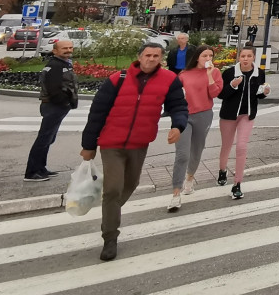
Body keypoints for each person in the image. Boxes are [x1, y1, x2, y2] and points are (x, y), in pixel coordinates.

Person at [81, 42, 188, 261]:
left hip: (139, 142)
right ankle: (110, 236)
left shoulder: (169, 80)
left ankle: (109, 213)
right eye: (148, 55)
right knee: (112, 189)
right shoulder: (116, 80)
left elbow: (178, 106)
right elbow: (97, 113)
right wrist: (88, 145)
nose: (151, 59)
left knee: (130, 184)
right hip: (112, 143)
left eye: (156, 56)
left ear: (161, 59)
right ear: (139, 56)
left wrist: (178, 125)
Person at [169, 45, 223, 211]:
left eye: (211, 56)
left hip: (203, 115)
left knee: (197, 151)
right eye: (204, 55)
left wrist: (209, 75)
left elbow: (214, 94)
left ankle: (189, 180)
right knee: (182, 154)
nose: (208, 59)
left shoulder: (214, 73)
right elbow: (174, 94)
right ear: (197, 57)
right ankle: (175, 194)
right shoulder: (184, 74)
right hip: (184, 117)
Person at [218, 46, 270, 201]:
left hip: (247, 115)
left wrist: (264, 92)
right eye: (243, 56)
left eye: (249, 56)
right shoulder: (229, 73)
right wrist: (233, 85)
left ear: (253, 57)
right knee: (226, 146)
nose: (245, 59)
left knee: (241, 147)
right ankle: (222, 171)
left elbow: (258, 95)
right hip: (228, 115)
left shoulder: (259, 73)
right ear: (239, 58)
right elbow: (221, 94)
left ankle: (237, 184)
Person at [25, 38, 77, 181]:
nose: (68, 50)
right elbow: (54, 90)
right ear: (55, 51)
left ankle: (41, 168)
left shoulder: (61, 64)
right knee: (44, 139)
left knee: (48, 138)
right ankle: (32, 172)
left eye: (70, 48)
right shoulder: (56, 66)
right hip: (54, 106)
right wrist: (65, 103)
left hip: (55, 106)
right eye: (64, 48)